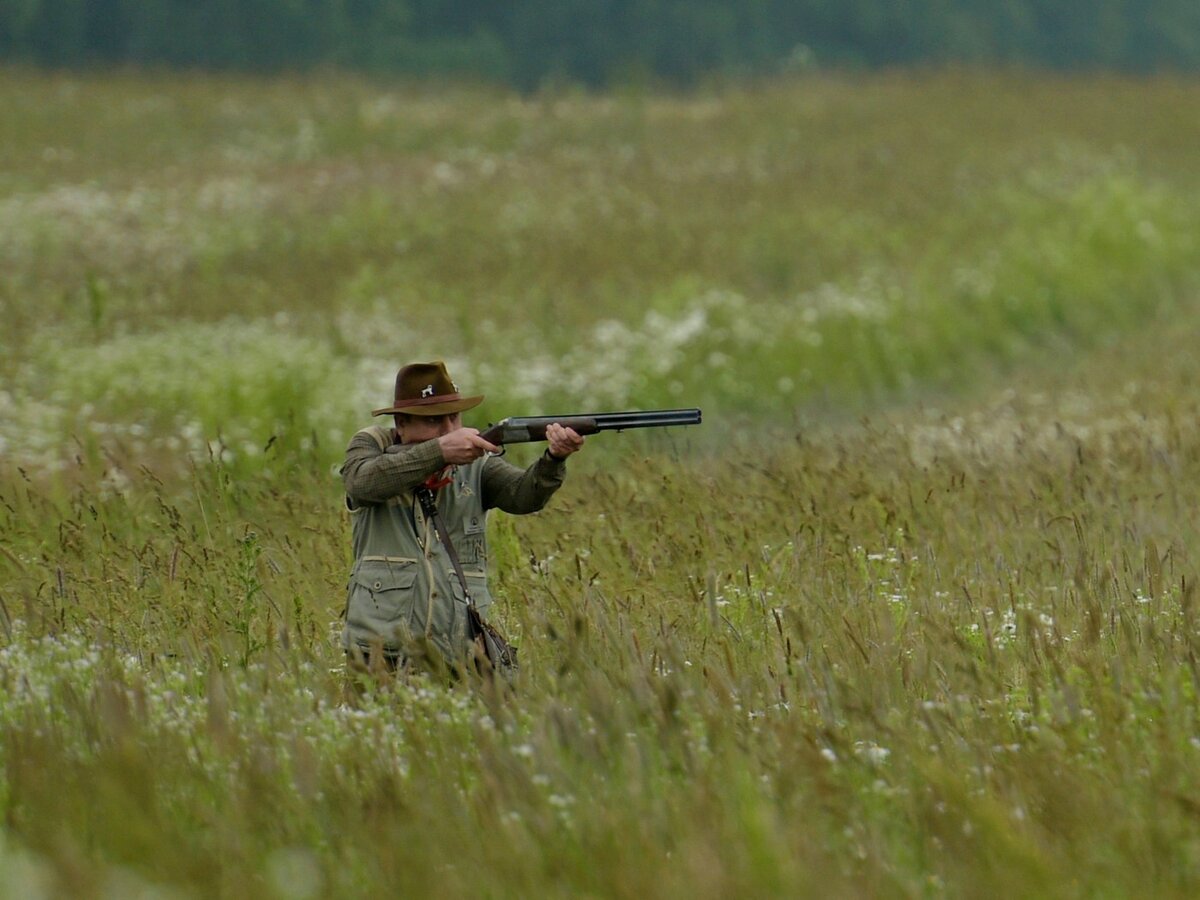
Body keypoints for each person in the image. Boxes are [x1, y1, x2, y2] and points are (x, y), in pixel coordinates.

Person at [340, 360, 584, 674]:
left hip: (459, 653)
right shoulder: (370, 446)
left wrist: (554, 459)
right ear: (401, 424)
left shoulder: (475, 463)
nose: (449, 430)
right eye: (433, 421)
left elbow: (525, 496)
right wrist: (438, 452)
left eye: (453, 417)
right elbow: (363, 483)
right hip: (379, 653)